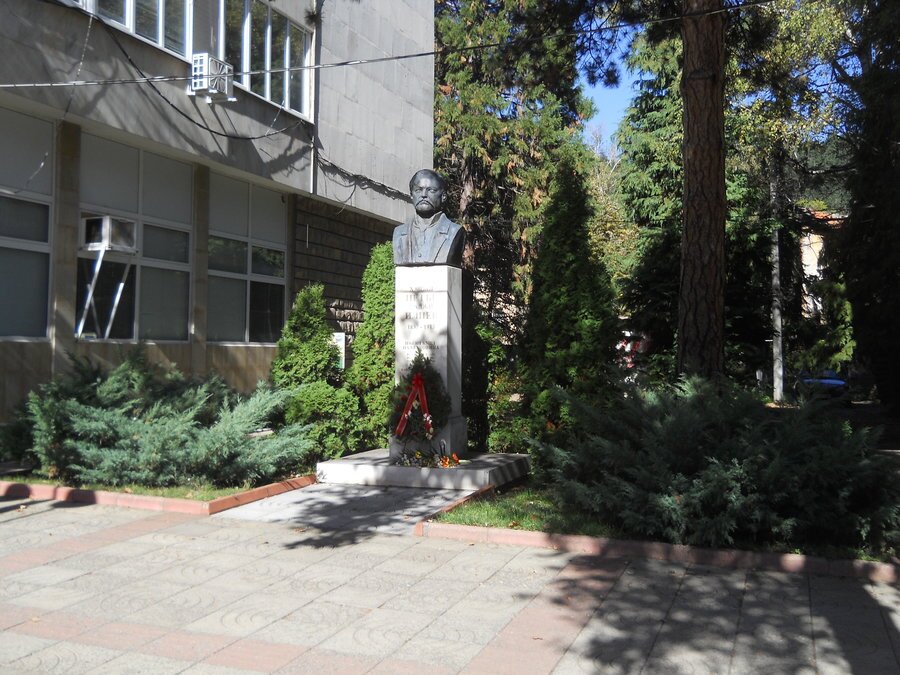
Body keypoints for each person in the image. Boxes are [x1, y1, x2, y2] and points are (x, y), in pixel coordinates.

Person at [393, 169, 465, 267]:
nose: (423, 195)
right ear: (411, 195)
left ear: (443, 196)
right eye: (418, 190)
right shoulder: (399, 232)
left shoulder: (454, 231)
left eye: (431, 190)